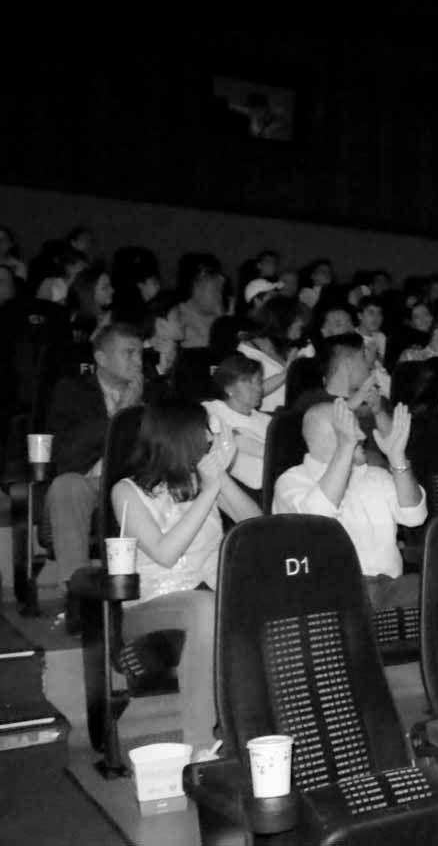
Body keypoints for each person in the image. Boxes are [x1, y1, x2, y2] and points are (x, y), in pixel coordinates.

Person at [110, 401, 261, 758]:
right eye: (204, 430)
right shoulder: (127, 491)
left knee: (260, 596)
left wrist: (219, 477)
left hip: (207, 595)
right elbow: (165, 554)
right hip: (149, 605)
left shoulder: (203, 479)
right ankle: (198, 744)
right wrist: (209, 491)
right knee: (204, 607)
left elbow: (256, 524)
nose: (209, 438)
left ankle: (265, 726)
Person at [273, 399, 426, 610]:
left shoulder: (376, 476)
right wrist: (345, 448)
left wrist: (397, 458)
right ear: (333, 439)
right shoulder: (292, 481)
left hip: (389, 589)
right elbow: (317, 518)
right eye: (355, 431)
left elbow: (415, 516)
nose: (364, 436)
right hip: (331, 595)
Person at [46, 323, 158, 594]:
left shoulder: (154, 391)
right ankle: (76, 589)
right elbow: (67, 451)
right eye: (128, 353)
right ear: (101, 359)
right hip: (91, 481)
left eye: (139, 354)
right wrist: (122, 411)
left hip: (140, 483)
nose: (137, 361)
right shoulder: (72, 391)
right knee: (66, 486)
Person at [201, 354, 272, 493]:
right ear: (229, 388)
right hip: (241, 491)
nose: (257, 388)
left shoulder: (267, 420)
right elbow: (230, 439)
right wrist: (276, 453)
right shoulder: (211, 410)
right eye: (248, 382)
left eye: (258, 381)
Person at [238, 295, 308, 412]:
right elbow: (248, 394)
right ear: (282, 324)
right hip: (267, 418)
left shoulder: (287, 348)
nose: (299, 335)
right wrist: (288, 371)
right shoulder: (246, 352)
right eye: (297, 328)